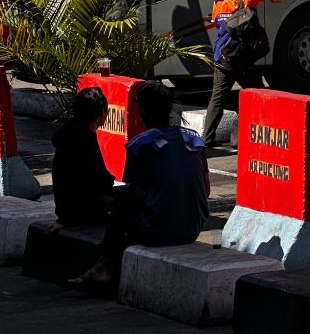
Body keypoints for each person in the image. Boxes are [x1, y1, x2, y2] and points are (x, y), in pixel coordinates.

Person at [74, 81, 210, 287]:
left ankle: (103, 265)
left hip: (159, 231)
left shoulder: (141, 145)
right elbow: (206, 189)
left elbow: (136, 197)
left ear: (143, 110)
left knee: (120, 202)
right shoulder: (192, 140)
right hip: (193, 228)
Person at [203, 0, 269, 146]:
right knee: (256, 95)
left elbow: (216, 22)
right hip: (242, 58)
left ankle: (207, 138)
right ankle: (250, 136)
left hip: (222, 56)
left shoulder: (219, 0)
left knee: (217, 99)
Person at [49, 86, 116, 232]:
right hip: (80, 209)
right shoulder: (83, 139)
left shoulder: (70, 131)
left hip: (66, 209)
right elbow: (99, 179)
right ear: (101, 113)